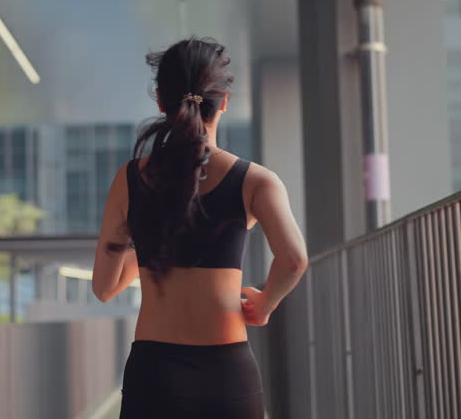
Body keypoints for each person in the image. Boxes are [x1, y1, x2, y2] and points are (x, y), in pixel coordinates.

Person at [91, 37, 309, 418]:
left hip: (153, 372)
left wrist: (149, 242)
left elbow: (104, 287)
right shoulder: (255, 181)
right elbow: (293, 260)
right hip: (226, 373)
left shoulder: (130, 180)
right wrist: (266, 302)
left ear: (160, 100)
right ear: (223, 101)